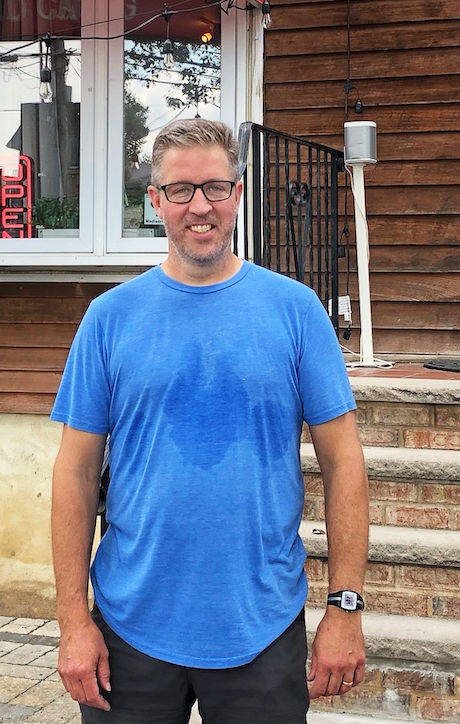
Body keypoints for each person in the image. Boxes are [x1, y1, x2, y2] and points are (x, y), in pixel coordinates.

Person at [50, 118, 369, 723]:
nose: (200, 206)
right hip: (128, 627)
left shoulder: (295, 311)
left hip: (261, 624)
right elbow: (75, 473)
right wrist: (72, 619)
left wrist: (345, 607)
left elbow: (344, 460)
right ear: (155, 200)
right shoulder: (109, 318)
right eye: (180, 190)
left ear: (238, 193)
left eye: (216, 187)